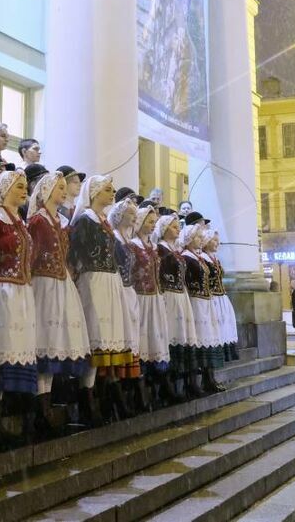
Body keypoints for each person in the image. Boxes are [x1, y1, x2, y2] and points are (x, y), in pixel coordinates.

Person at [0, 169, 39, 443]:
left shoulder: (19, 221)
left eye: (25, 186)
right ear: (3, 189)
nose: (24, 190)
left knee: (11, 350)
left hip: (19, 294)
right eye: (18, 186)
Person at [26, 171, 92, 431]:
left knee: (54, 345)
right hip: (42, 284)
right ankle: (39, 407)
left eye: (66, 187)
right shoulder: (37, 220)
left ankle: (47, 403)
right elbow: (31, 255)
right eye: (59, 187)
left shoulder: (62, 221)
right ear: (46, 190)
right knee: (44, 343)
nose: (64, 191)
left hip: (61, 283)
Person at [68, 175, 136, 419]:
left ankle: (104, 395)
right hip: (93, 281)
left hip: (109, 281)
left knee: (108, 337)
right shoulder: (85, 220)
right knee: (96, 336)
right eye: (108, 189)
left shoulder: (103, 220)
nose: (112, 192)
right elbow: (75, 252)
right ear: (95, 193)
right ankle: (86, 398)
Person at [154, 213, 202, 399]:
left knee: (183, 336)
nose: (177, 229)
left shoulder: (175, 250)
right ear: (165, 229)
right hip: (169, 296)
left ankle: (185, 383)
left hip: (181, 295)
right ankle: (168, 385)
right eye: (174, 227)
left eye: (177, 226)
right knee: (172, 336)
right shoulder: (161, 249)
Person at [132, 204, 173, 405]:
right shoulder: (132, 245)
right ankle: (140, 389)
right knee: (143, 340)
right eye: (149, 222)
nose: (152, 225)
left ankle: (158, 387)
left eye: (154, 222)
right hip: (140, 297)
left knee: (156, 339)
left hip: (155, 297)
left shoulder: (153, 247)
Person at [109, 198, 146, 413]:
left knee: (131, 338)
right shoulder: (114, 238)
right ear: (120, 215)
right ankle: (116, 393)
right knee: (121, 336)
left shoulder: (128, 239)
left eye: (135, 214)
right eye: (130, 213)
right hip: (118, 289)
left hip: (129, 290)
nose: (134, 217)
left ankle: (128, 392)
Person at [183, 217, 226, 389]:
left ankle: (209, 378)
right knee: (199, 340)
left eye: (202, 237)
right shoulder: (187, 257)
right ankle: (195, 382)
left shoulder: (198, 257)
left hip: (205, 302)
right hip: (195, 302)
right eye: (198, 237)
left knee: (208, 339)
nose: (201, 240)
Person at [204, 228, 240, 362]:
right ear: (206, 241)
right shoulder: (204, 258)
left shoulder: (215, 259)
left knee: (225, 325)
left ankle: (226, 352)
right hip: (213, 297)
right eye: (214, 240)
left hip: (221, 296)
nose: (217, 243)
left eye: (217, 241)